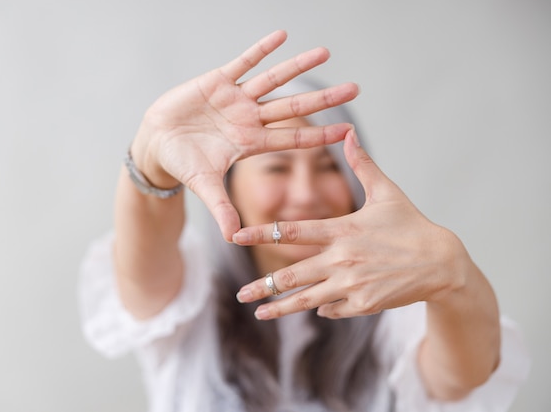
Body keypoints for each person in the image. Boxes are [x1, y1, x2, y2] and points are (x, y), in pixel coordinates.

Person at [78, 30, 529, 412]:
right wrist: (153, 154)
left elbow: (460, 378)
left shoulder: (395, 305)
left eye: (329, 166)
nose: (306, 193)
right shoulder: (191, 303)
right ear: (229, 185)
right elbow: (147, 264)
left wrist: (455, 278)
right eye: (276, 167)